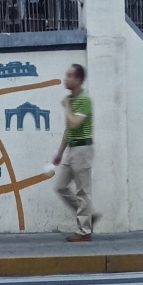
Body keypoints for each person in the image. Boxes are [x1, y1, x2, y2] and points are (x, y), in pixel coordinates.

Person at [51, 63, 94, 243]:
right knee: (60, 186)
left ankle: (84, 232)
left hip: (83, 149)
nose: (65, 79)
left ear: (79, 80)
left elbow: (75, 123)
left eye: (70, 76)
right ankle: (87, 215)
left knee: (82, 191)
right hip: (71, 148)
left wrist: (67, 106)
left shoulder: (84, 100)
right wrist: (60, 152)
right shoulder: (73, 100)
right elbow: (69, 129)